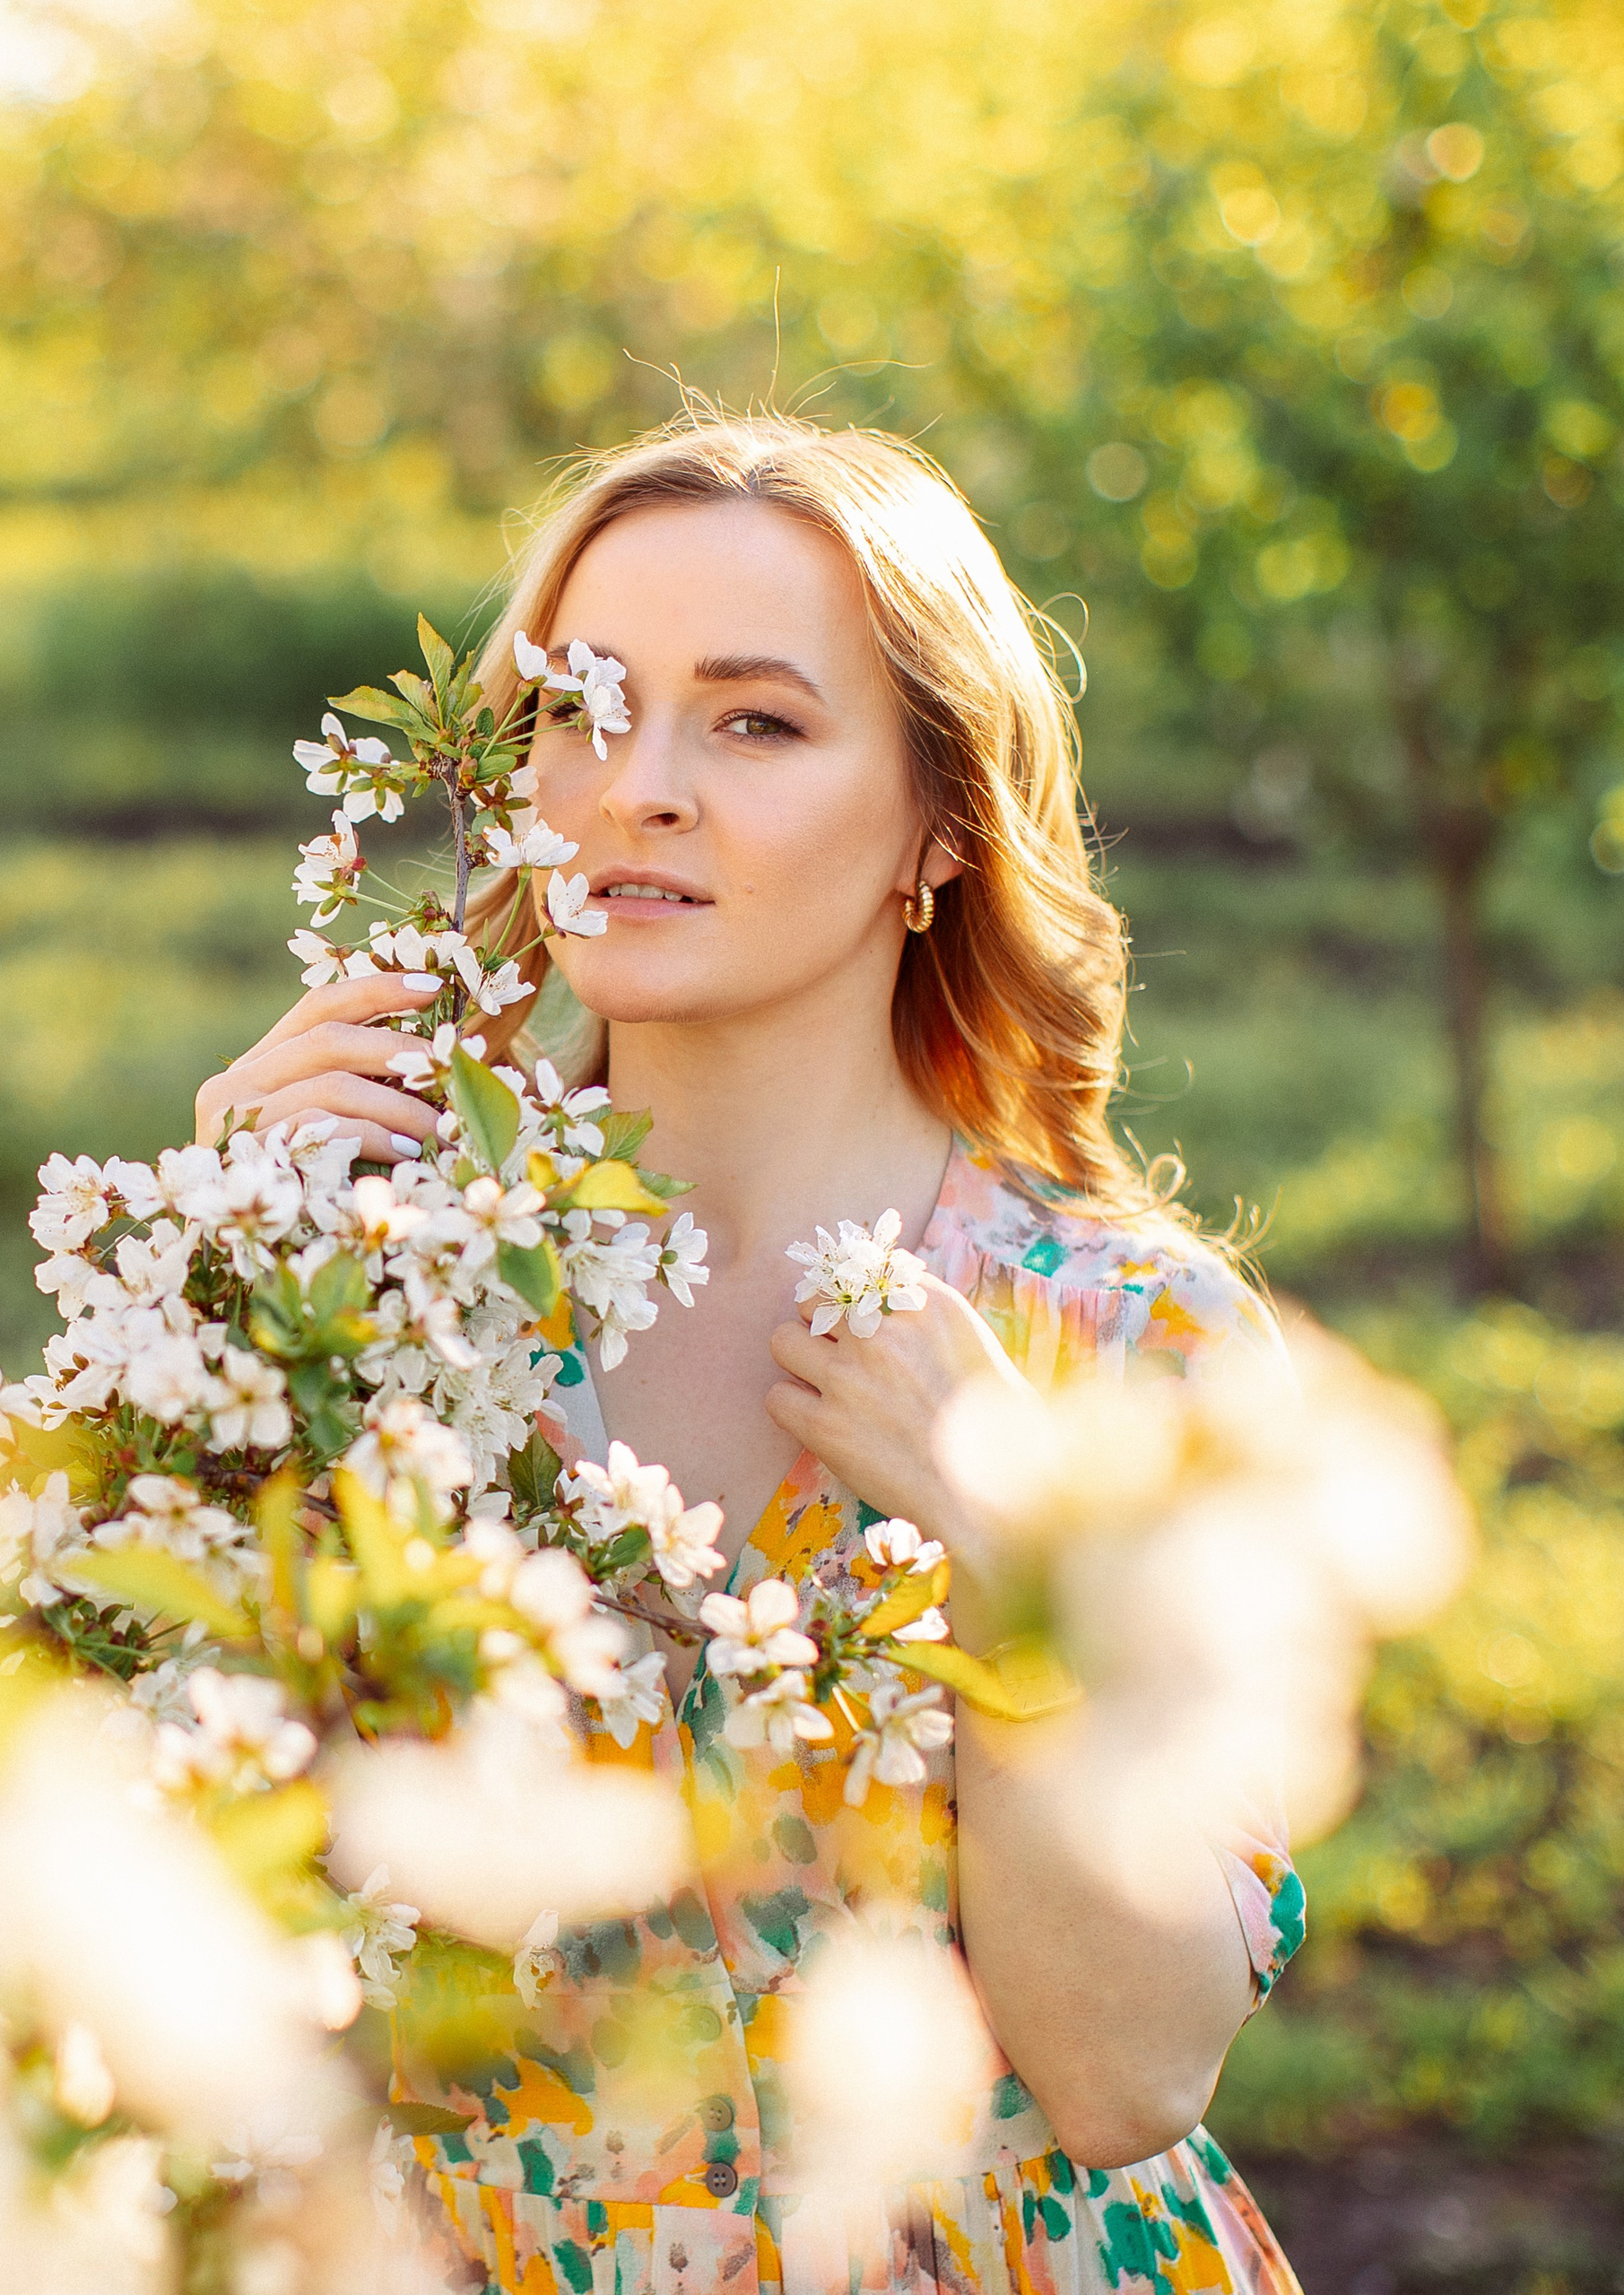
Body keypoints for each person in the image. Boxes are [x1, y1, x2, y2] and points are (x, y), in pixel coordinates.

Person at [196, 415, 1307, 2293]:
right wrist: (213, 1313)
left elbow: (1130, 2072)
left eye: (754, 722)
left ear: (940, 822)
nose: (633, 788)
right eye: (581, 709)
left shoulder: (1128, 1342)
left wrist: (1005, 1551)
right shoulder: (357, 1284)